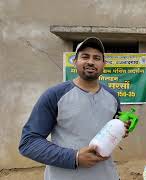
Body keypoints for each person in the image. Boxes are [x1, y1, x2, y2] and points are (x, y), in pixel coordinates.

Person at [19, 37, 130, 180]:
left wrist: (122, 129)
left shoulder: (113, 97)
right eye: (85, 56)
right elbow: (29, 142)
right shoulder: (55, 95)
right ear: (75, 61)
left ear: (104, 65)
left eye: (97, 58)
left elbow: (109, 130)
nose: (90, 61)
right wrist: (75, 157)